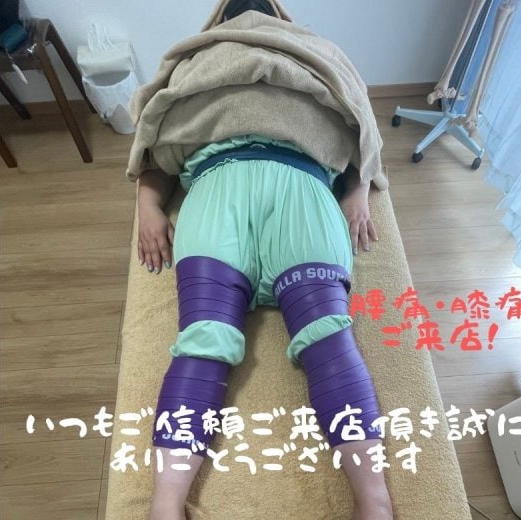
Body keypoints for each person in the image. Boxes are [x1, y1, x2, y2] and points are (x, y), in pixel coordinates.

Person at [134, 1, 392, 518]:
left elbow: (160, 150)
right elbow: (357, 131)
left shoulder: (199, 60)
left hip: (225, 194)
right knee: (323, 339)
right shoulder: (314, 54)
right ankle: (375, 504)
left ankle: (165, 507)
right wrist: (357, 188)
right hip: (293, 194)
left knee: (209, 341)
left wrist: (359, 188)